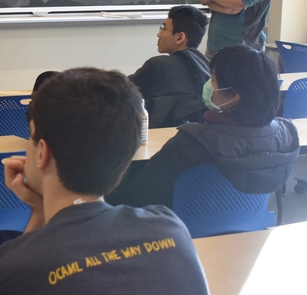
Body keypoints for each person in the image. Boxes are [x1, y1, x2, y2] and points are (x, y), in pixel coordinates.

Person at [0, 68, 222, 295]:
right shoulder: (169, 226)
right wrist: (40, 209)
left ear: (42, 153)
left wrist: (37, 212)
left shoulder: (1, 268)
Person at [109, 45, 299, 208]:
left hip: (180, 238)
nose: (208, 84)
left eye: (213, 79)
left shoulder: (193, 142)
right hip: (249, 236)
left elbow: (137, 198)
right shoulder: (286, 134)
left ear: (234, 95)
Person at [129, 5, 210, 128]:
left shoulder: (158, 66)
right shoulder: (208, 68)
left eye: (163, 28)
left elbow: (121, 91)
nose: (158, 34)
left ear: (180, 37)